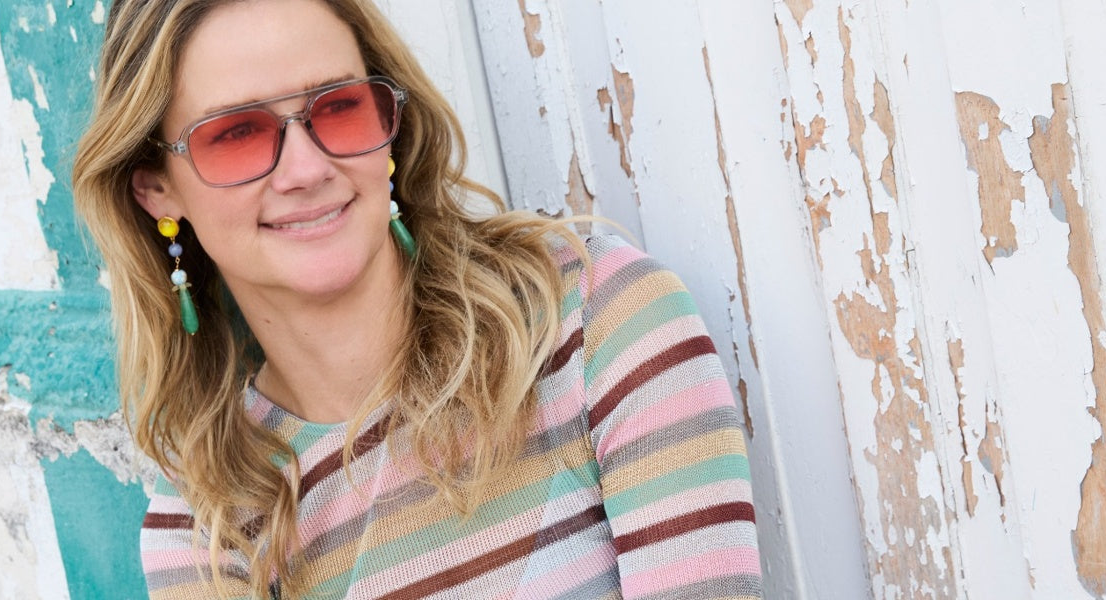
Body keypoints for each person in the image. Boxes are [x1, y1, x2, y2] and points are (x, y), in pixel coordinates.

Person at [71, 0, 762, 597]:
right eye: (236, 134)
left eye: (337, 108)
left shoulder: (597, 323)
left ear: (388, 120)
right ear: (156, 187)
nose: (307, 168)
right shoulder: (206, 526)